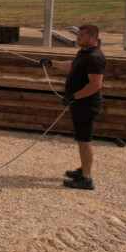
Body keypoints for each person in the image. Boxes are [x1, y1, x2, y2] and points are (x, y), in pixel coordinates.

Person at [41, 24, 106, 190]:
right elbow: (73, 65)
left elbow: (95, 84)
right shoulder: (84, 53)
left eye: (82, 36)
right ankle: (84, 169)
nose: (78, 38)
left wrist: (74, 97)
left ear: (93, 38)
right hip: (79, 104)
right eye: (78, 35)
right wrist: (51, 63)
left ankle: (86, 178)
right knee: (81, 139)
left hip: (86, 105)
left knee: (85, 140)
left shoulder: (94, 57)